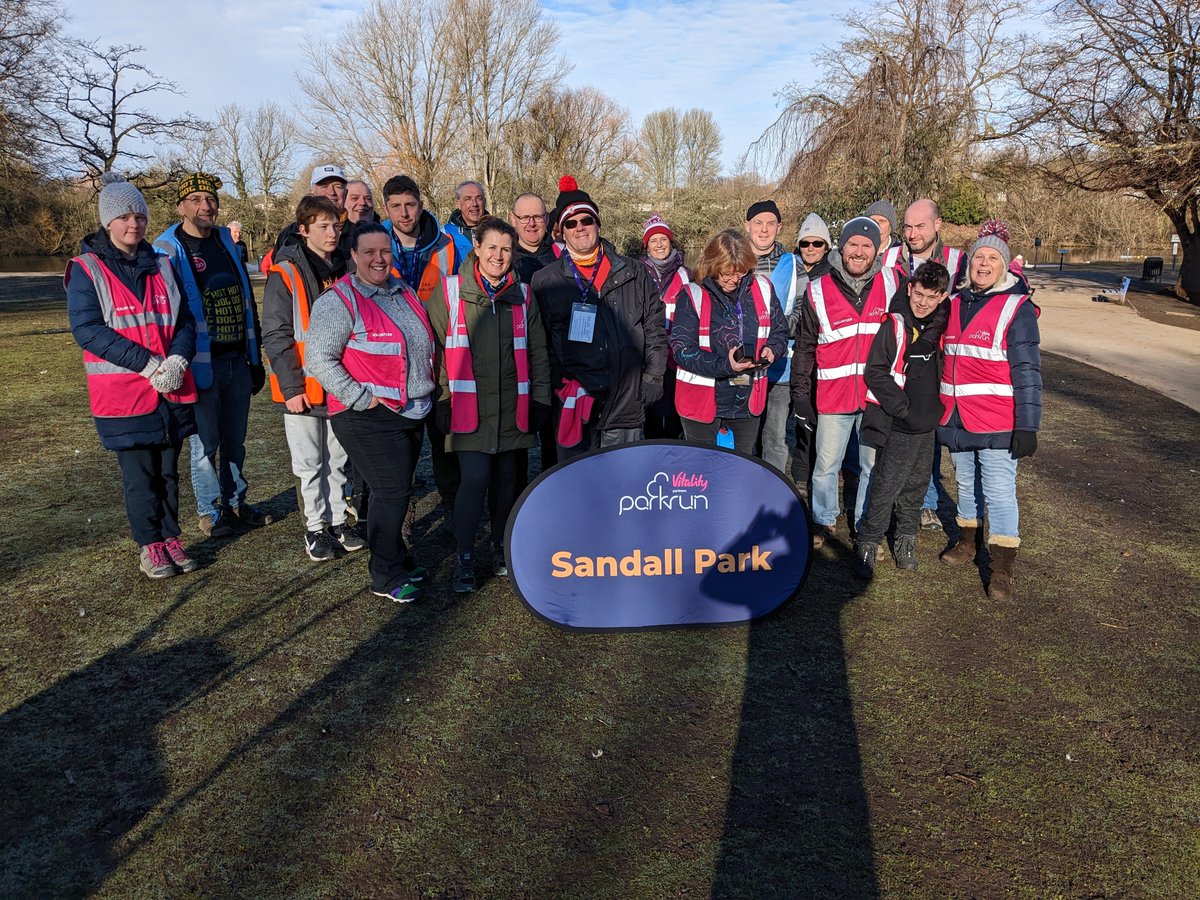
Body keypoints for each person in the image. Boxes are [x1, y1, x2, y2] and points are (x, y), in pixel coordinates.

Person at [67, 174, 199, 578]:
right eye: (124, 217)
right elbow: (87, 330)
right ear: (108, 222)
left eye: (139, 216)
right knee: (140, 476)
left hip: (171, 391)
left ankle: (172, 537)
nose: (134, 224)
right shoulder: (85, 269)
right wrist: (146, 364)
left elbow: (185, 321)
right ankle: (150, 545)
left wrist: (177, 360)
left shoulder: (162, 264)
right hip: (125, 395)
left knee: (168, 472)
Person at [305, 223, 436, 603]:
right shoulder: (339, 301)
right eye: (370, 253)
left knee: (397, 491)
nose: (379, 259)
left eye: (385, 252)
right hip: (366, 414)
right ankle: (385, 575)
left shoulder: (402, 291)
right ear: (354, 256)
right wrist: (361, 397)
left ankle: (399, 559)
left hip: (409, 410)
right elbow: (318, 358)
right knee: (390, 492)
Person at [427, 218, 552, 593]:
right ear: (477, 248)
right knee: (476, 479)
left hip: (513, 408)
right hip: (468, 409)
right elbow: (433, 350)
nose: (499, 256)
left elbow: (538, 352)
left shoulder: (524, 295)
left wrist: (541, 399)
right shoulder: (450, 292)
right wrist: (442, 397)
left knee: (507, 481)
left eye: (506, 249)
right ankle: (465, 555)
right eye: (492, 247)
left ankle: (500, 546)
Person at [154, 172, 273, 538]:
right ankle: (209, 511)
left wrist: (255, 358)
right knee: (205, 444)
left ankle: (236, 502)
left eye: (211, 200)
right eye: (196, 200)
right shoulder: (168, 248)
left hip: (237, 358)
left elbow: (245, 301)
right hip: (198, 363)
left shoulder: (225, 241)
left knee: (235, 438)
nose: (206, 206)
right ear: (181, 206)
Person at [530, 176, 667, 460]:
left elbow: (654, 328)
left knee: (623, 484)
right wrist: (557, 383)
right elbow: (539, 343)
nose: (580, 227)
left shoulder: (634, 271)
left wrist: (653, 377)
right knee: (579, 487)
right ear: (561, 231)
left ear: (597, 224)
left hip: (626, 397)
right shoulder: (545, 281)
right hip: (575, 400)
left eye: (586, 220)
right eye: (571, 223)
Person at [938, 235, 1042, 601]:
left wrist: (1028, 426)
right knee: (966, 485)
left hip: (998, 420)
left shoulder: (1017, 308)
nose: (983, 264)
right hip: (955, 418)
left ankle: (1002, 568)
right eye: (977, 257)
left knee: (998, 492)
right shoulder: (952, 303)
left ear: (1003, 265)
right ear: (968, 265)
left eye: (991, 258)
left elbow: (1027, 370)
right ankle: (967, 543)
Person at [790, 216, 904, 548]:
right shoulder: (818, 288)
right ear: (842, 247)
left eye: (866, 245)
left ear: (876, 249)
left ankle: (867, 528)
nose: (858, 251)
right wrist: (801, 394)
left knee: (871, 466)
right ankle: (823, 522)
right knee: (826, 465)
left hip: (876, 399)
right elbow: (806, 347)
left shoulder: (893, 283)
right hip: (833, 397)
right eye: (852, 244)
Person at [262, 196, 364, 562]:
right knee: (308, 463)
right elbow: (276, 334)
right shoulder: (286, 271)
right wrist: (291, 387)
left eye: (336, 225)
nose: (332, 232)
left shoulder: (348, 266)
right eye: (323, 226)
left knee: (338, 458)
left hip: (340, 383)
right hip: (303, 386)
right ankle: (315, 528)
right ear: (303, 230)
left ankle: (339, 520)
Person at [852, 262, 950, 579]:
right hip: (900, 422)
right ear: (909, 289)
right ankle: (868, 540)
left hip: (929, 423)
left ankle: (905, 540)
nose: (922, 302)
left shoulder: (944, 325)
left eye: (931, 297)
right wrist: (903, 408)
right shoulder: (894, 324)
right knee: (886, 486)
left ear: (942, 297)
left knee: (916, 487)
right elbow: (875, 372)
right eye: (918, 294)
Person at [670, 229, 789, 450]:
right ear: (712, 265)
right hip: (701, 402)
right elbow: (681, 349)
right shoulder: (691, 295)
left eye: (741, 272)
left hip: (747, 400)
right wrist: (727, 364)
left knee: (740, 468)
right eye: (727, 273)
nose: (734, 279)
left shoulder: (763, 288)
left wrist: (773, 349)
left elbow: (780, 330)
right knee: (702, 471)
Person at [745, 200, 804, 477]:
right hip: (743, 365)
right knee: (744, 436)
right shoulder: (735, 260)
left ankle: (773, 489)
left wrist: (774, 330)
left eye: (770, 223)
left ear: (779, 227)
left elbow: (805, 312)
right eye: (758, 223)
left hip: (780, 367)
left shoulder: (794, 265)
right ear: (748, 226)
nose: (764, 229)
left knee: (775, 437)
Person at [790, 213, 834, 493]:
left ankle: (825, 471)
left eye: (817, 243)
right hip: (798, 350)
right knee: (803, 415)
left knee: (825, 419)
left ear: (826, 247)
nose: (810, 249)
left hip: (827, 353)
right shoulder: (790, 270)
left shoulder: (833, 274)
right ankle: (801, 471)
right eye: (805, 243)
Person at [640, 214, 691, 440]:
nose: (659, 244)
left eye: (663, 239)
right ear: (647, 246)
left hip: (678, 354)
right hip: (650, 353)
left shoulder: (686, 274)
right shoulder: (638, 273)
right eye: (653, 240)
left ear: (671, 242)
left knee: (674, 414)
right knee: (651, 413)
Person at [379, 174, 461, 303]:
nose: (404, 214)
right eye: (395, 206)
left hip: (436, 323)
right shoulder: (374, 250)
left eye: (410, 205)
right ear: (386, 210)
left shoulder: (446, 247)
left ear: (421, 206)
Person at [899, 199, 968, 285]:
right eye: (908, 227)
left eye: (920, 226)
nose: (913, 235)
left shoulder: (958, 261)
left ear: (937, 225)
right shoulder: (887, 258)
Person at [510, 193, 552, 285]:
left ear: (547, 218)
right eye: (525, 218)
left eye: (537, 217)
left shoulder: (563, 254)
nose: (532, 223)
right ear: (513, 219)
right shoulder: (505, 257)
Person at [444, 180, 487, 260]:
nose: (474, 204)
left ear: (484, 202)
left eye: (479, 198)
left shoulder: (499, 232)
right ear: (458, 204)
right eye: (468, 199)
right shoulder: (444, 235)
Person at [866, 200, 902, 265]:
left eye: (882, 221)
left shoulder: (901, 256)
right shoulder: (858, 251)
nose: (876, 225)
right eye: (872, 220)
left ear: (890, 227)